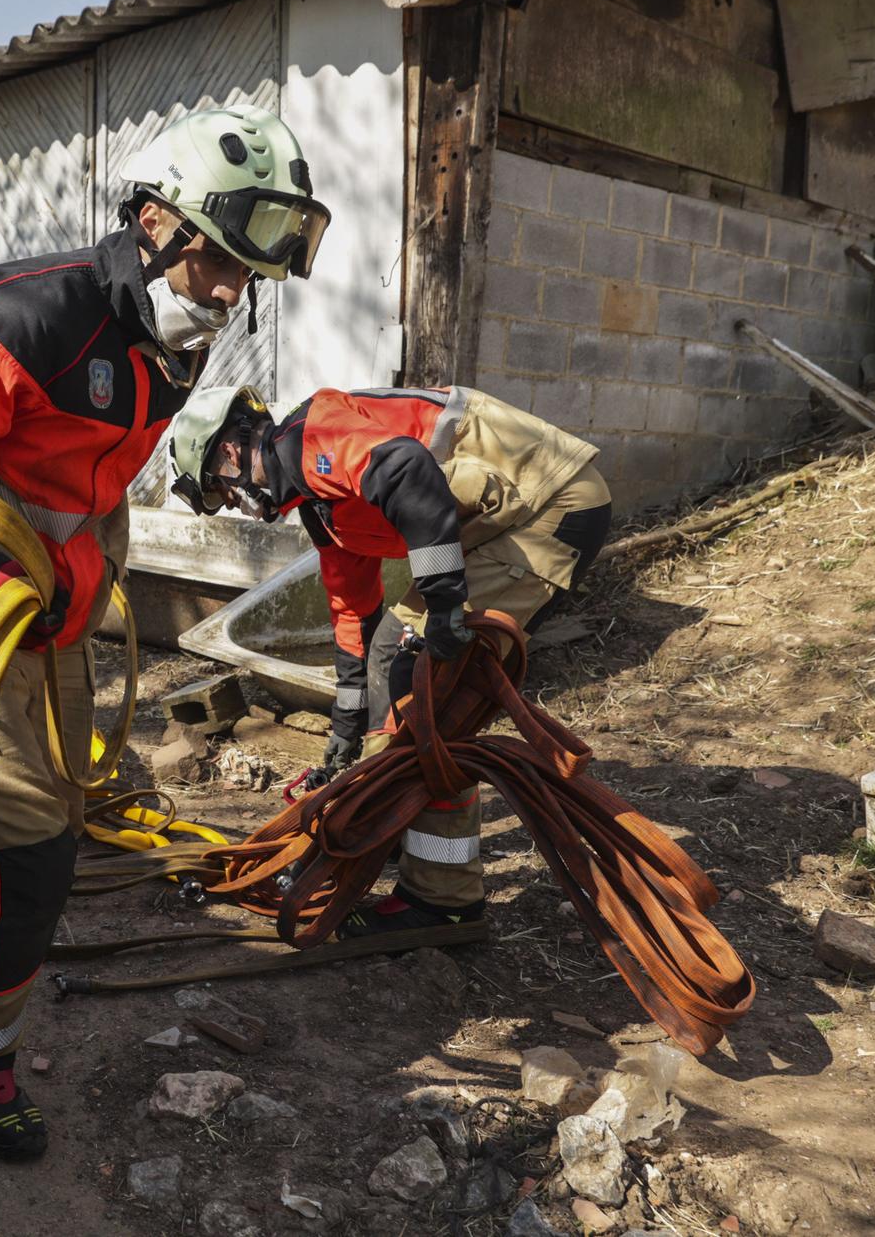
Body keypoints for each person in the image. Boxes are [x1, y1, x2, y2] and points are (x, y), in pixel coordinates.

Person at [0, 105, 328, 1162]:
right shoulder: (28, 316)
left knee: (57, 791)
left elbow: (86, 482)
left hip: (45, 606)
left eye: (248, 279)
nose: (230, 298)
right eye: (218, 270)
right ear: (155, 222)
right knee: (37, 848)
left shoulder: (166, 344)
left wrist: (72, 582)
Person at [168, 381, 612, 945]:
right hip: (511, 514)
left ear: (229, 454)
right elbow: (353, 611)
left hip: (549, 505)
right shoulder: (318, 497)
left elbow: (406, 469)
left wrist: (446, 604)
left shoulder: (312, 440)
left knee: (429, 693)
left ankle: (442, 901)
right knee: (389, 655)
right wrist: (345, 731)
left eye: (222, 493)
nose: (237, 506)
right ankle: (397, 816)